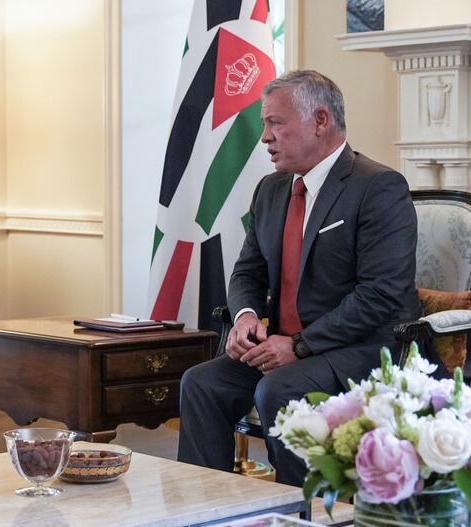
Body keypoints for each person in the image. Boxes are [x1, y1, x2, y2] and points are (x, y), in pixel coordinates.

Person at [177, 70, 424, 486]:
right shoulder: (271, 190)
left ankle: (299, 510)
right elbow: (247, 271)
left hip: (359, 349)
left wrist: (299, 345)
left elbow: (381, 295)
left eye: (275, 122)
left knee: (278, 390)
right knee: (201, 383)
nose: (264, 137)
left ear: (321, 121)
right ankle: (210, 509)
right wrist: (245, 317)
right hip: (283, 347)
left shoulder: (378, 187)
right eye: (264, 124)